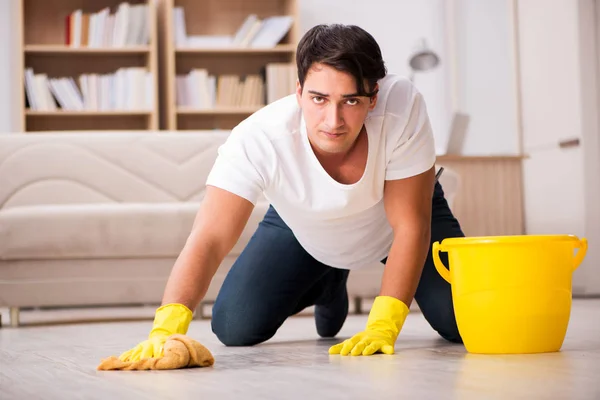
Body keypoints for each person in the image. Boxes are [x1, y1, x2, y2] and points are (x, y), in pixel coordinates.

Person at [117, 23, 465, 362]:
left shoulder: (401, 105)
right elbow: (209, 237)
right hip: (304, 225)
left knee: (462, 322)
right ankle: (326, 283)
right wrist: (165, 329)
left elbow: (410, 226)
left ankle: (335, 275)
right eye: (318, 99)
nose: (333, 121)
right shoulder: (259, 138)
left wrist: (383, 326)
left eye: (351, 101)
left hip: (401, 219)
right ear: (298, 92)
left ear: (373, 98)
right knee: (234, 327)